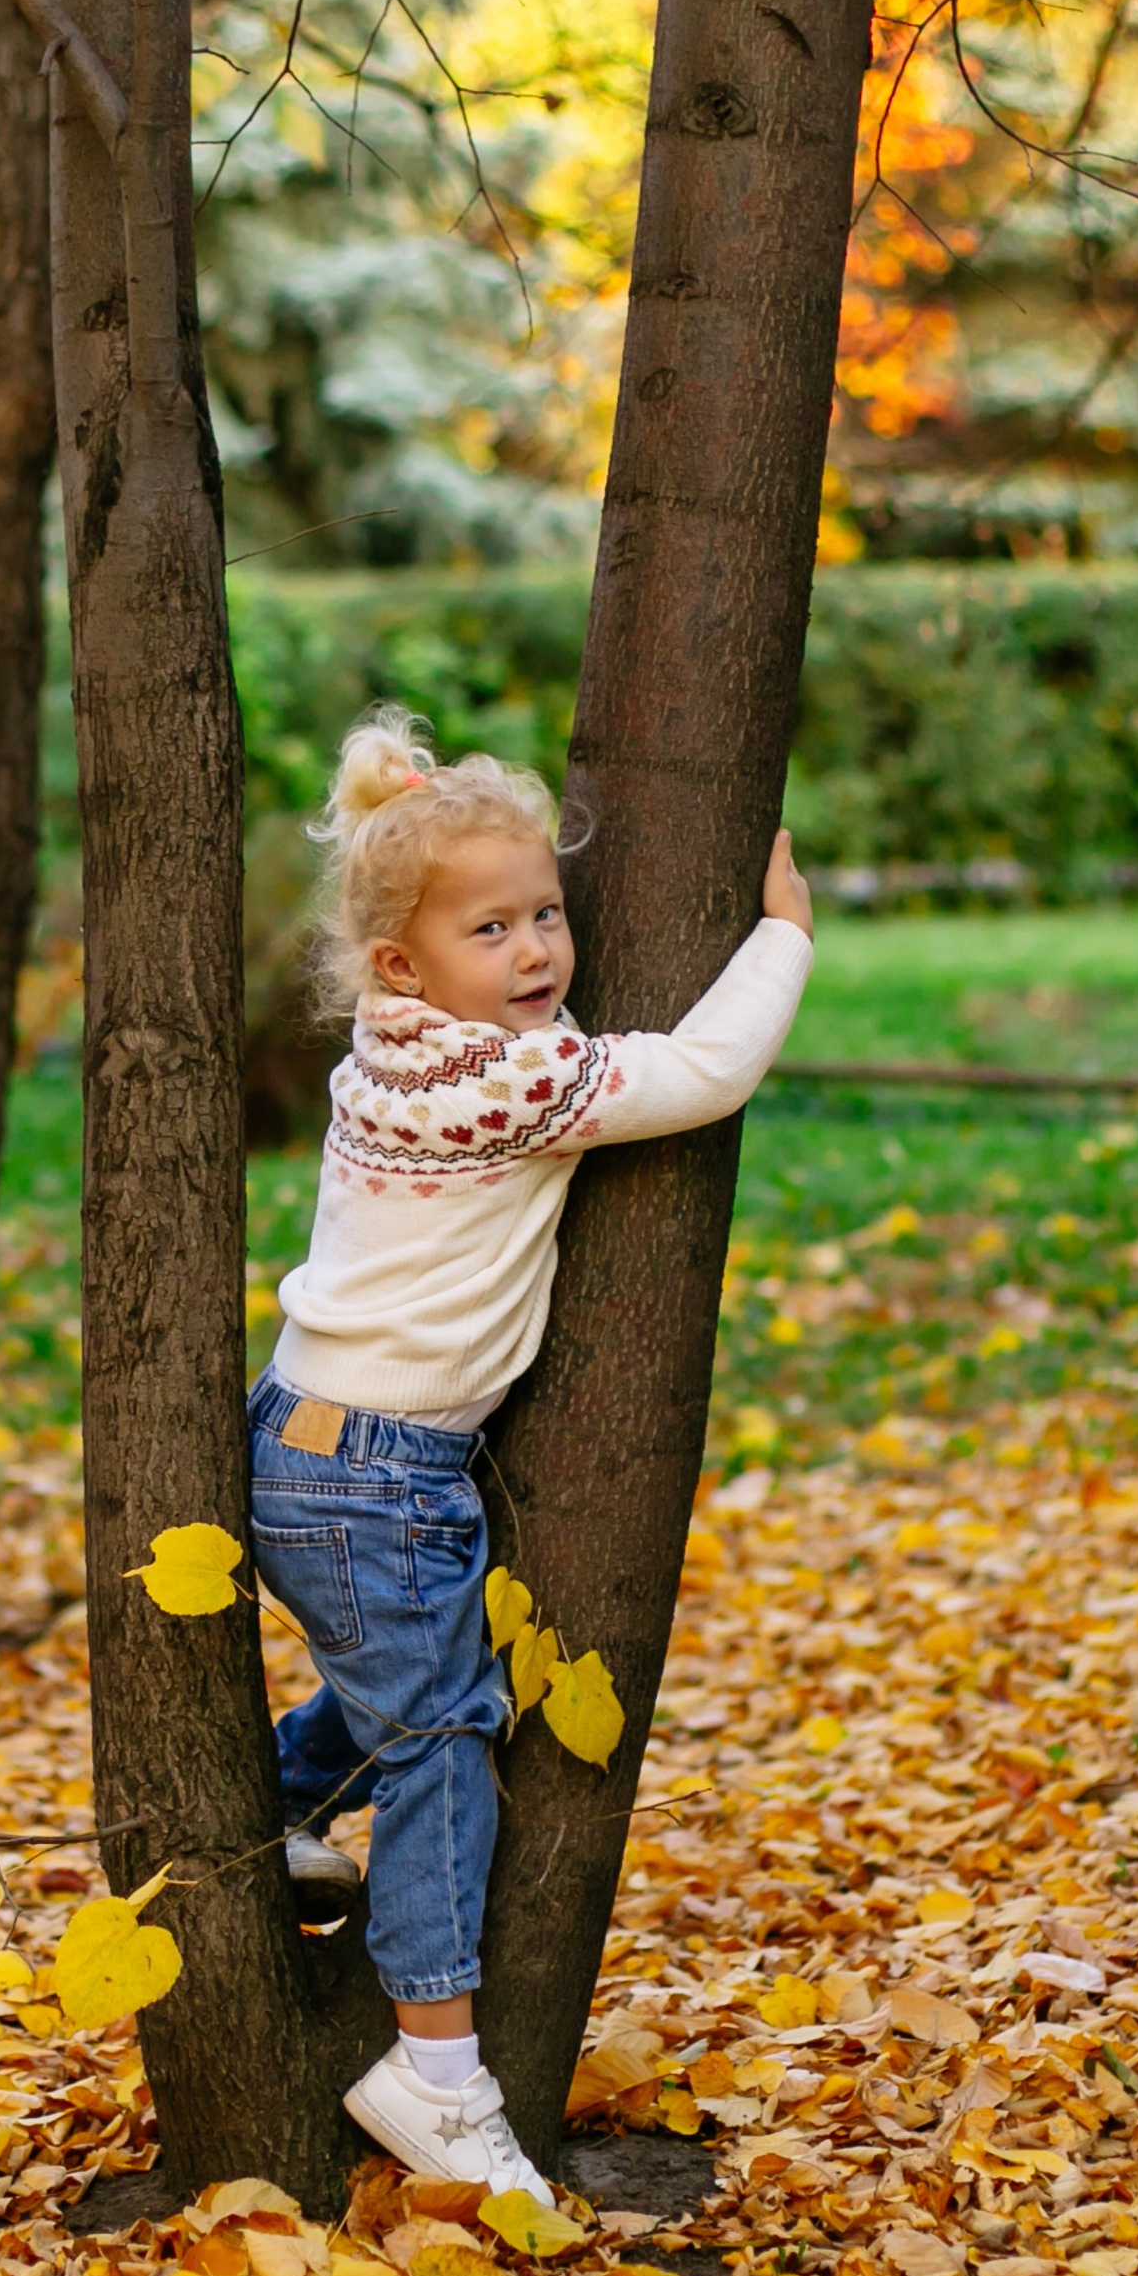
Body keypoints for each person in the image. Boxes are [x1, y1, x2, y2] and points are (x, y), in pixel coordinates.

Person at [254, 703, 815, 2197]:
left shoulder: (405, 1051)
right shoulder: (507, 1088)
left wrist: (489, 938)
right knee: (445, 1736)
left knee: (424, 1686)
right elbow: (702, 1075)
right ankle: (435, 2071)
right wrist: (784, 943)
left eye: (544, 916)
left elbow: (537, 1024)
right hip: (372, 1462)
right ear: (399, 967)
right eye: (488, 928)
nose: (536, 953)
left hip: (325, 1442)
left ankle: (269, 1810)